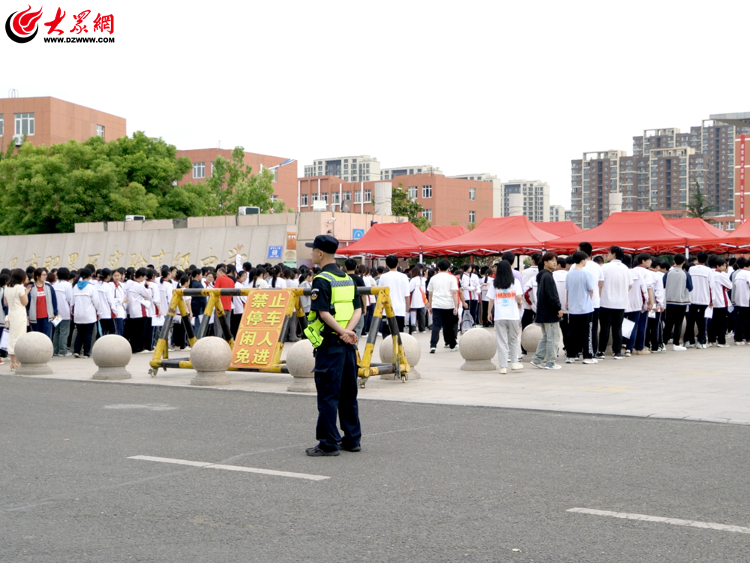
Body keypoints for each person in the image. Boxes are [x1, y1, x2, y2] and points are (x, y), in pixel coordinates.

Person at [303, 235, 362, 457]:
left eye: (313, 250)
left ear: (320, 253)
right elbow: (358, 309)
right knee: (348, 393)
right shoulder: (347, 278)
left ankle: (328, 442)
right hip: (348, 346)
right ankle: (352, 439)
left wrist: (341, 332)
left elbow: (323, 312)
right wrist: (348, 332)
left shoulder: (321, 280)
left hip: (330, 345)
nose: (311, 254)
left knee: (328, 395)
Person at [487, 261, 523, 374]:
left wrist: (489, 312)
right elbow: (519, 298)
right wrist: (519, 301)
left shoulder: (494, 283)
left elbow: (491, 299)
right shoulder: (515, 282)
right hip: (513, 315)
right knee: (513, 339)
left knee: (501, 341)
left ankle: (503, 367)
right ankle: (514, 363)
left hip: (500, 316)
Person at [531, 252, 563, 370]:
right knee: (553, 338)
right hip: (550, 313)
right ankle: (550, 362)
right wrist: (558, 308)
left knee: (546, 337)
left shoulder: (542, 276)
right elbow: (552, 295)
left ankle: (537, 359)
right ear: (545, 262)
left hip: (543, 312)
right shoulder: (547, 276)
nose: (555, 262)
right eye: (552, 260)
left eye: (556, 260)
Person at [598, 246, 631, 360]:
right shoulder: (625, 268)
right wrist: (622, 293)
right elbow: (630, 285)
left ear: (614, 254)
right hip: (621, 303)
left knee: (605, 327)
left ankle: (601, 351)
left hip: (606, 302)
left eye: (608, 253)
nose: (607, 255)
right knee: (618, 328)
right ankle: (617, 351)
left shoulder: (605, 267)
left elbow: (600, 284)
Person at [565, 252, 597, 364]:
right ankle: (587, 356)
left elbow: (567, 290)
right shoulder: (586, 274)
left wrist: (567, 302)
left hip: (573, 308)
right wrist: (589, 300)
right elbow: (591, 290)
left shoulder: (569, 274)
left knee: (572, 332)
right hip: (585, 308)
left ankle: (570, 355)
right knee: (586, 332)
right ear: (583, 260)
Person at [72, 268, 107, 358]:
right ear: (90, 275)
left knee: (80, 333)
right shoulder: (91, 287)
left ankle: (77, 351)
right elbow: (97, 302)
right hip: (89, 315)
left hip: (78, 314)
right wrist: (100, 313)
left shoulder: (75, 287)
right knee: (88, 333)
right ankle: (86, 352)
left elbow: (72, 302)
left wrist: (72, 312)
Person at [426, 259, 459, 353]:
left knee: (436, 325)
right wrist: (456, 306)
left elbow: (430, 293)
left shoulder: (433, 278)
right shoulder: (452, 278)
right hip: (449, 305)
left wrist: (430, 305)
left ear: (438, 268)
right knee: (449, 326)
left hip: (436, 304)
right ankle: (453, 344)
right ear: (448, 267)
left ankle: (433, 345)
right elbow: (454, 292)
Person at [663, 253, 693, 351]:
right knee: (678, 322)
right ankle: (676, 343)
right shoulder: (686, 274)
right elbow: (690, 287)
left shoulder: (668, 273)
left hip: (669, 301)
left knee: (668, 323)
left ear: (674, 261)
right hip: (681, 301)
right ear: (684, 262)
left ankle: (663, 343)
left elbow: (663, 284)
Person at [684, 251, 712, 348]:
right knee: (701, 320)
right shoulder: (708, 270)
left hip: (692, 298)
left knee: (690, 320)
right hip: (704, 299)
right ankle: (701, 341)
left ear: (697, 258)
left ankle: (688, 341)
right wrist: (712, 300)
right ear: (706, 259)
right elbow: (711, 286)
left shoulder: (691, 269)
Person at [4, 269, 30, 370]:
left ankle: (12, 362)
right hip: (19, 315)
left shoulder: (7, 287)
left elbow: (6, 303)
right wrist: (26, 293)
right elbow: (25, 302)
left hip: (11, 315)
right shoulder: (20, 288)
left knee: (12, 337)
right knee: (19, 338)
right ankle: (18, 362)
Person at [378, 255, 410, 338]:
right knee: (399, 334)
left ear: (386, 265)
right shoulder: (404, 277)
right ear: (398, 264)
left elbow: (380, 293)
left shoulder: (383, 277)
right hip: (400, 309)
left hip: (386, 309)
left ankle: (387, 350)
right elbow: (407, 295)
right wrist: (408, 307)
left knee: (386, 335)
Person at [28, 268, 58, 339]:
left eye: (45, 275)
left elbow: (54, 300)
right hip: (34, 317)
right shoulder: (30, 287)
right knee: (36, 337)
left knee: (46, 337)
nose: (45, 276)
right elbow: (27, 302)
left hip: (47, 317)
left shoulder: (49, 286)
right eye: (43, 275)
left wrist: (55, 312)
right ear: (37, 276)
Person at [709, 257, 732, 347]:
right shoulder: (721, 275)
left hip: (712, 301)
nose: (724, 268)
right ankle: (721, 341)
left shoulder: (711, 273)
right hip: (721, 301)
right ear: (717, 266)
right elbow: (730, 285)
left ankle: (712, 340)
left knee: (713, 322)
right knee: (722, 323)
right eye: (723, 266)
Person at [52, 267, 74, 356]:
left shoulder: (54, 284)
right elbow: (70, 299)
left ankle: (56, 350)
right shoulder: (67, 285)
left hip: (56, 312)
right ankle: (63, 350)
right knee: (64, 331)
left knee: (57, 331)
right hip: (65, 311)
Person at [344, 259, 366, 339]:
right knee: (359, 327)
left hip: (345, 306)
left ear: (345, 267)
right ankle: (355, 344)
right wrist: (365, 307)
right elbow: (363, 295)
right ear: (356, 267)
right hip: (358, 306)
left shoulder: (343, 279)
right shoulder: (359, 279)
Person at [408, 266, 427, 334]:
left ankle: (413, 328)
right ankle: (422, 328)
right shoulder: (424, 279)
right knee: (422, 314)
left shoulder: (413, 280)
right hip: (422, 299)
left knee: (413, 314)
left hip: (414, 299)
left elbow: (409, 289)